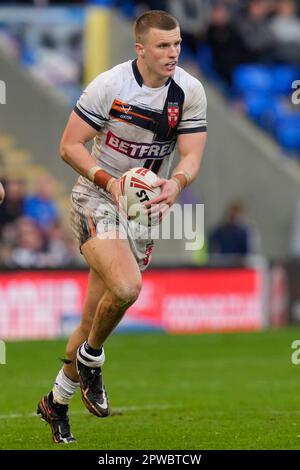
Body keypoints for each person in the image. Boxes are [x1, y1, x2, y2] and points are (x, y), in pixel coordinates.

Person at [37, 9, 207, 444]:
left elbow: (189, 155)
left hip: (143, 210)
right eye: (163, 46)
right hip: (97, 196)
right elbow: (68, 145)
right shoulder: (109, 86)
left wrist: (176, 182)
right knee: (128, 288)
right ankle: (92, 360)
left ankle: (56, 402)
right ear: (140, 49)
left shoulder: (188, 92)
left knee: (94, 315)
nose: (173, 53)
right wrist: (110, 181)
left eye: (177, 44)